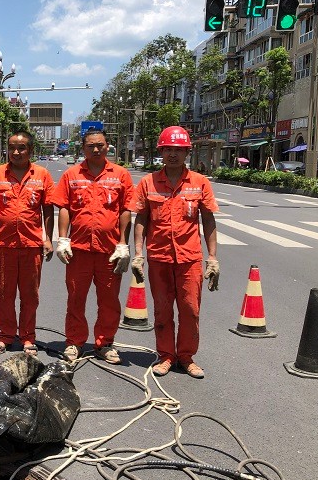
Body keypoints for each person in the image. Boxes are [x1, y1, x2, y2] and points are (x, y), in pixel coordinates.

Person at [131, 126, 219, 379]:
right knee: (162, 309)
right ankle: (166, 355)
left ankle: (186, 357)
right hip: (158, 257)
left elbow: (209, 220)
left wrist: (212, 258)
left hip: (189, 258)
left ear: (187, 152)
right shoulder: (148, 182)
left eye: (179, 150)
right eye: (168, 149)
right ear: (161, 151)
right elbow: (141, 219)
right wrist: (138, 253)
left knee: (190, 309)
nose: (173, 154)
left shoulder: (199, 182)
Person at [51, 130, 134, 364]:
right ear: (83, 149)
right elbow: (64, 207)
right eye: (90, 146)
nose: (95, 149)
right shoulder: (71, 175)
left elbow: (125, 210)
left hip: (109, 252)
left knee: (109, 300)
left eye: (100, 145)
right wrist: (63, 239)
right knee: (76, 298)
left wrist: (123, 244)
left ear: (108, 146)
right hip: (79, 251)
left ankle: (105, 343)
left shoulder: (120, 175)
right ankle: (74, 342)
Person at [0, 131, 55, 356]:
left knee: (30, 294)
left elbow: (48, 209)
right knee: (4, 293)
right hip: (3, 244)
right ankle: (5, 336)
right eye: (12, 147)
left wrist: (48, 239)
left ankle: (27, 337)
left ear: (30, 150)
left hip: (32, 245)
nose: (16, 152)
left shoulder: (42, 175)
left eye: (21, 147)